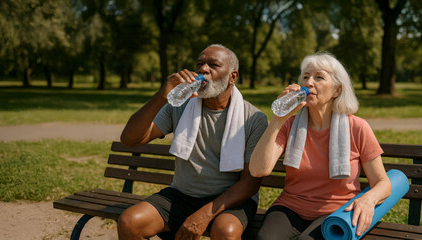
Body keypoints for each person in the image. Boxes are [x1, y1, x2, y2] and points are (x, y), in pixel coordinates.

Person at [117, 44, 268, 240]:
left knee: (226, 232)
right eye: (199, 64)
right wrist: (163, 95)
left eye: (213, 65)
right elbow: (130, 139)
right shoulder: (180, 106)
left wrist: (204, 214)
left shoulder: (253, 118)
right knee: (129, 223)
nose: (203, 70)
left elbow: (250, 183)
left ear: (233, 77)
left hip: (229, 201)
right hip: (181, 195)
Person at [249, 52, 391, 240]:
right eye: (305, 77)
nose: (309, 83)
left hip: (337, 211)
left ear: (337, 91)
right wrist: (277, 120)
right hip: (290, 207)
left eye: (319, 77)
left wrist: (368, 199)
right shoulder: (289, 125)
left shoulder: (357, 127)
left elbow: (383, 183)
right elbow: (258, 170)